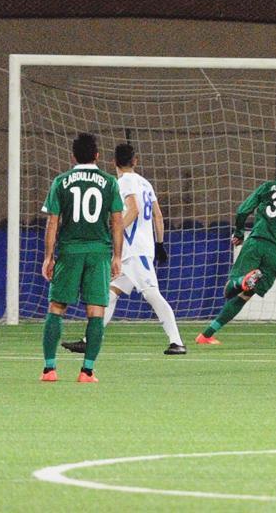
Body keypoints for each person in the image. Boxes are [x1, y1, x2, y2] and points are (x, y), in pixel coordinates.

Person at [61, 143, 185, 356]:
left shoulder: (123, 182)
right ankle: (89, 340)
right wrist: (160, 244)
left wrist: (114, 231)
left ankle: (177, 342)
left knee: (151, 293)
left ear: (113, 162)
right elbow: (158, 216)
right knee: (109, 294)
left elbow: (133, 209)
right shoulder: (145, 183)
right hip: (136, 251)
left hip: (135, 250)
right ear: (135, 161)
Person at [196, 153, 276, 344]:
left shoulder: (268, 187)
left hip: (257, 241)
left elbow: (242, 210)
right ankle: (207, 335)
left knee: (232, 289)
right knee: (247, 293)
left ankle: (238, 283)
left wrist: (238, 232)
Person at [40, 133, 123, 383]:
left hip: (69, 251)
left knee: (56, 307)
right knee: (96, 310)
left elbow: (53, 222)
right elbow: (117, 221)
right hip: (99, 253)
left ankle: (49, 369)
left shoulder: (61, 181)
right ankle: (87, 372)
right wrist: (118, 256)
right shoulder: (109, 182)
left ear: (73, 156)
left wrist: (48, 257)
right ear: (97, 155)